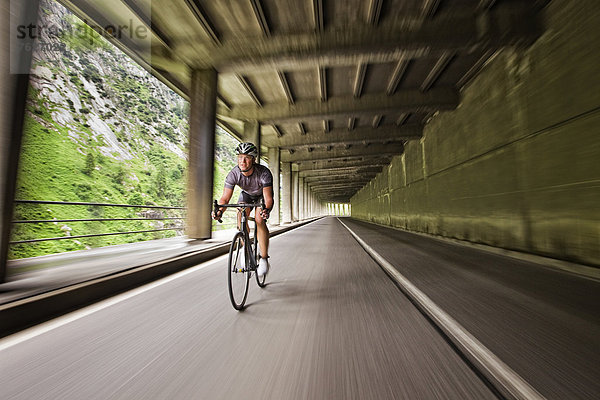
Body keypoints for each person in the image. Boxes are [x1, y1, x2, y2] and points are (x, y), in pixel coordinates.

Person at [212, 142, 274, 276]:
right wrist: (219, 211)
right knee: (240, 213)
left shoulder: (264, 173)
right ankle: (245, 246)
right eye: (240, 157)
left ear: (253, 159)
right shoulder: (233, 174)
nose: (242, 161)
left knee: (259, 219)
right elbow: (225, 199)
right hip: (246, 195)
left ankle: (264, 259)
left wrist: (266, 210)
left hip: (261, 196)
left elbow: (268, 198)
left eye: (247, 157)